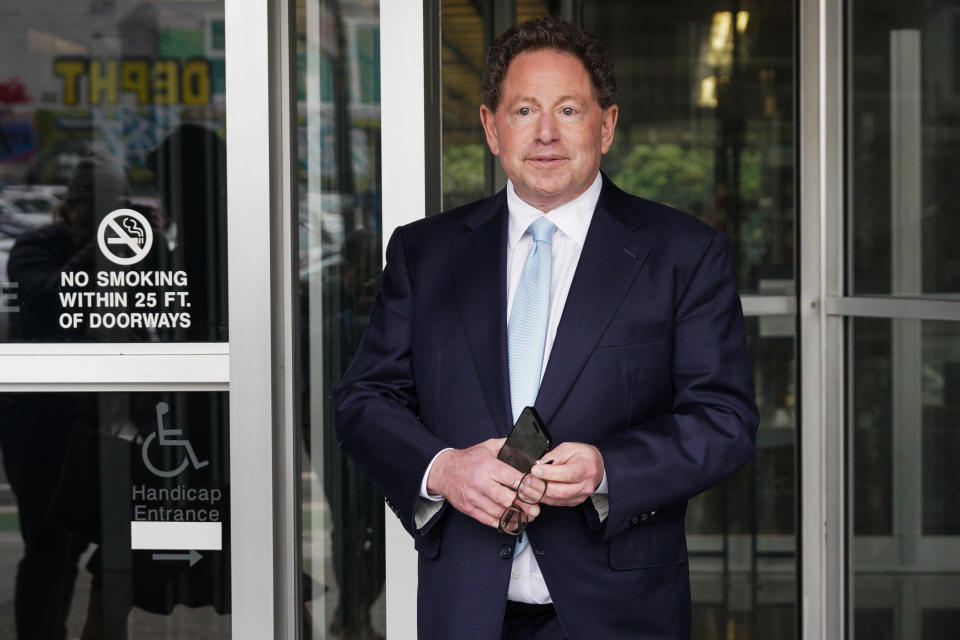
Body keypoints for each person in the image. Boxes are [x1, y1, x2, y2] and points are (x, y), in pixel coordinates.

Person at [333, 16, 758, 640]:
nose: (546, 134)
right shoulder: (425, 253)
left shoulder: (683, 253)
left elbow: (724, 420)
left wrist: (608, 468)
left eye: (568, 109)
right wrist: (443, 468)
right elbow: (364, 400)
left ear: (606, 125)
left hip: (619, 609)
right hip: (465, 608)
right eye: (524, 109)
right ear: (491, 127)